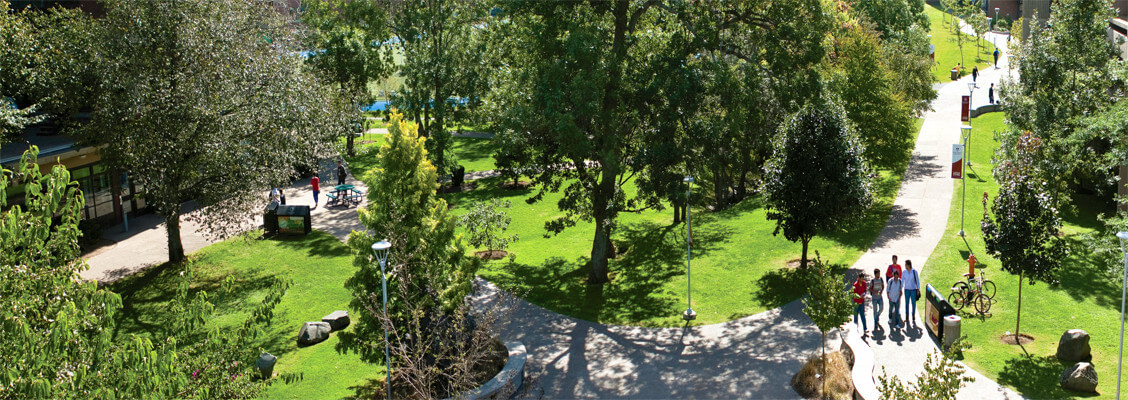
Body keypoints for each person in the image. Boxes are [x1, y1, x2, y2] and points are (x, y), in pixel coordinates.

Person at [903, 260, 920, 327]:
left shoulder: (914, 272)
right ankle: (907, 316)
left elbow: (917, 281)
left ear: (909, 265)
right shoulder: (904, 272)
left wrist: (918, 289)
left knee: (913, 303)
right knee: (906, 303)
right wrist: (900, 288)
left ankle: (913, 315)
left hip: (913, 290)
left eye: (906, 265)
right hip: (906, 290)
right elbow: (902, 280)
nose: (905, 266)